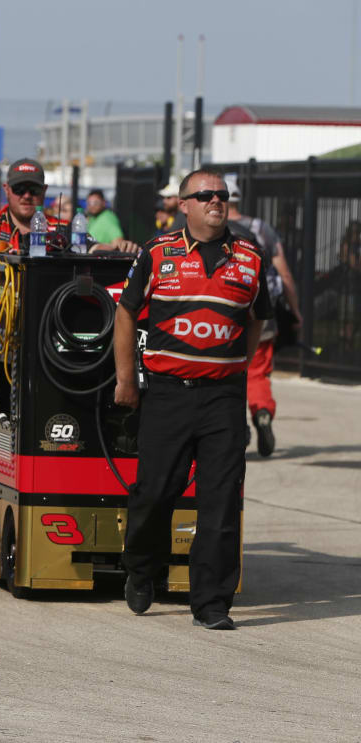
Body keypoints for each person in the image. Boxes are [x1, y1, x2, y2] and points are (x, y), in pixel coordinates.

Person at [113, 169, 272, 631]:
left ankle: (212, 603)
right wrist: (126, 378)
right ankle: (142, 569)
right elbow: (125, 314)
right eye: (205, 195)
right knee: (154, 494)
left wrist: (235, 367)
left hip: (223, 398)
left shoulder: (250, 257)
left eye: (222, 195)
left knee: (220, 503)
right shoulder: (157, 253)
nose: (216, 202)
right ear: (184, 204)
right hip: (167, 395)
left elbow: (258, 319)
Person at [226, 185, 302, 457]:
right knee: (256, 371)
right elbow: (285, 276)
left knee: (223, 373)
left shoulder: (209, 227)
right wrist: (295, 311)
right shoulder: (261, 229)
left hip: (222, 314)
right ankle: (262, 412)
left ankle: (232, 427)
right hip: (259, 311)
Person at [0, 158, 138, 256]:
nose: (26, 196)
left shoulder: (62, 229)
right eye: (19, 189)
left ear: (44, 191)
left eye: (33, 189)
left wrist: (119, 249)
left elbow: (93, 247)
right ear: (7, 190)